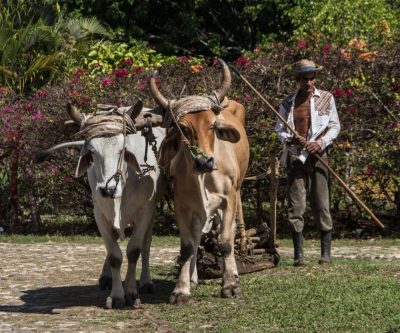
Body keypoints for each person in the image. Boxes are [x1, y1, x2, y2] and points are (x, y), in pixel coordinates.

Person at [275, 59, 341, 266]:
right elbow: (279, 130)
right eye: (305, 78)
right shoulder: (287, 103)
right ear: (298, 79)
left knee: (321, 203)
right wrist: (290, 139)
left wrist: (320, 143)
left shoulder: (327, 99)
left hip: (319, 156)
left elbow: (335, 127)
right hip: (295, 157)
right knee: (296, 205)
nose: (309, 82)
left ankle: (325, 255)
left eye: (312, 78)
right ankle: (299, 256)